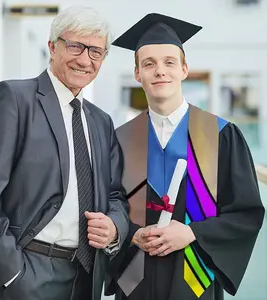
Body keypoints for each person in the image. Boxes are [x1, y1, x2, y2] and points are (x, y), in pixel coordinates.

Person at [0, 6, 129, 300]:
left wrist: (115, 227)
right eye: (75, 46)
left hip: (85, 276)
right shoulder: (15, 100)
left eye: (96, 52)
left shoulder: (101, 121)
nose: (84, 59)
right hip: (26, 271)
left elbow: (115, 194)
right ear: (53, 46)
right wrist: (11, 273)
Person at [105, 13, 265, 300]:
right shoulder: (120, 140)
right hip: (135, 281)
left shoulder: (220, 135)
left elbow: (246, 213)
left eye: (169, 62)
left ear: (184, 69)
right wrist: (131, 235)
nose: (160, 71)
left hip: (195, 279)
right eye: (149, 64)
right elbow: (106, 206)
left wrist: (193, 233)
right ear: (137, 74)